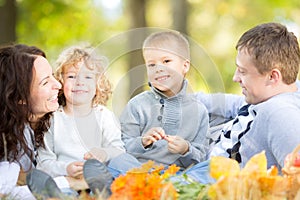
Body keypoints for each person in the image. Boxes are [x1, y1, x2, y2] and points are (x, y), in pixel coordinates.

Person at [182, 22, 300, 183]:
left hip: (211, 181)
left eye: (243, 72)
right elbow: (230, 104)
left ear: (272, 77)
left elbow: (296, 176)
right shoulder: (266, 96)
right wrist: (183, 99)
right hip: (204, 163)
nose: (235, 78)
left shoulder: (280, 113)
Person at [35, 45, 139, 197]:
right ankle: (58, 195)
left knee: (123, 161)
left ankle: (107, 191)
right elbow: (44, 162)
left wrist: (104, 153)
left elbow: (118, 150)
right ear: (60, 82)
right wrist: (66, 168)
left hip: (101, 177)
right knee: (57, 186)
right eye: (71, 76)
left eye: (88, 77)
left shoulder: (104, 116)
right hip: (68, 181)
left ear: (98, 84)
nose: (79, 82)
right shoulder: (52, 119)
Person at [120, 30, 210, 170]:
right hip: (139, 171)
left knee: (207, 168)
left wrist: (186, 149)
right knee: (115, 161)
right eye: (151, 65)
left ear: (185, 66)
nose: (158, 69)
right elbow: (123, 145)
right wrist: (143, 142)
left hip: (178, 175)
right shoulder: (137, 105)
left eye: (166, 61)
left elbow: (201, 156)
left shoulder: (199, 111)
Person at [0, 44, 62, 199]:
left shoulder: (33, 125)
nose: (59, 85)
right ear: (19, 97)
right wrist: (68, 183)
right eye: (45, 82)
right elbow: (6, 192)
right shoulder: (7, 139)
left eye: (52, 75)